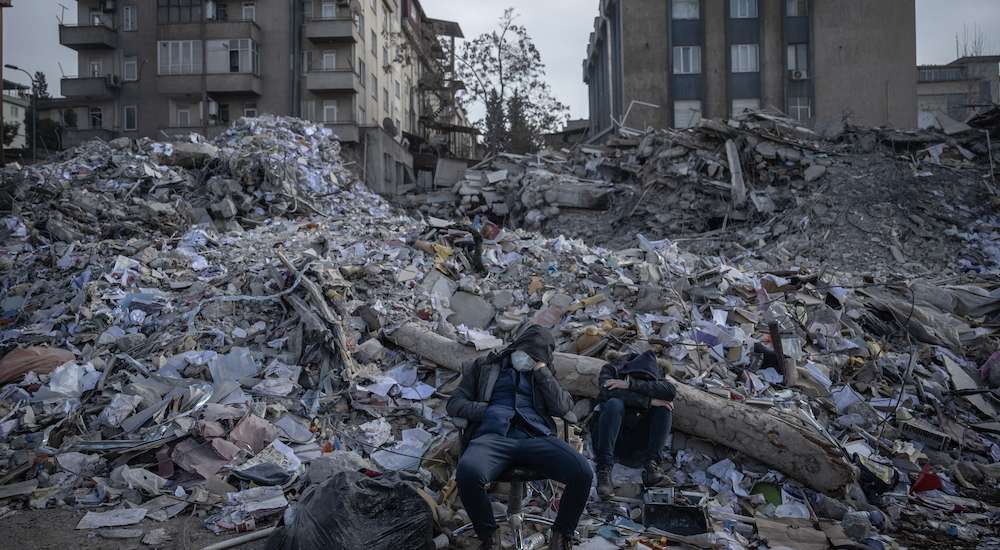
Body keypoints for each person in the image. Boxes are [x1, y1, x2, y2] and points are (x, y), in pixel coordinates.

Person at [447, 325, 593, 550]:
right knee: (468, 473)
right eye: (527, 352)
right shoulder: (483, 366)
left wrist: (542, 372)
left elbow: (564, 407)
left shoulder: (543, 373)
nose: (528, 359)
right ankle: (489, 537)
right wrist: (485, 411)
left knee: (583, 472)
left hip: (535, 436)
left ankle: (561, 536)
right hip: (492, 436)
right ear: (517, 346)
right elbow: (454, 403)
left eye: (536, 357)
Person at [591, 350, 676, 499]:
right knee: (614, 404)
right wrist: (649, 401)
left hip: (637, 446)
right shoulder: (611, 369)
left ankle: (652, 468)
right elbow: (606, 392)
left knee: (665, 407)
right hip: (611, 440)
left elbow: (670, 392)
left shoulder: (657, 371)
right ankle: (604, 470)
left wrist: (630, 385)